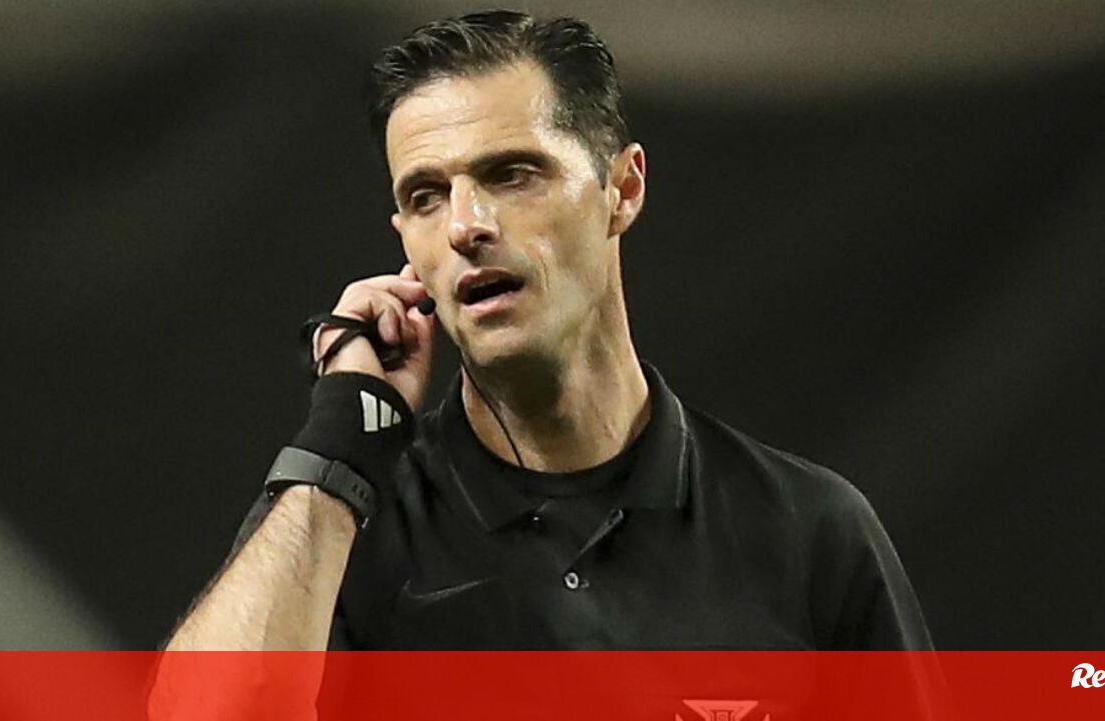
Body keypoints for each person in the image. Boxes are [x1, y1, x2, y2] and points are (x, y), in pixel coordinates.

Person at [162, 9, 932, 652]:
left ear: (622, 188)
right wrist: (341, 437)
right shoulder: (341, 527)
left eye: (511, 174)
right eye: (427, 195)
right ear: (405, 239)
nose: (465, 225)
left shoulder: (809, 534)